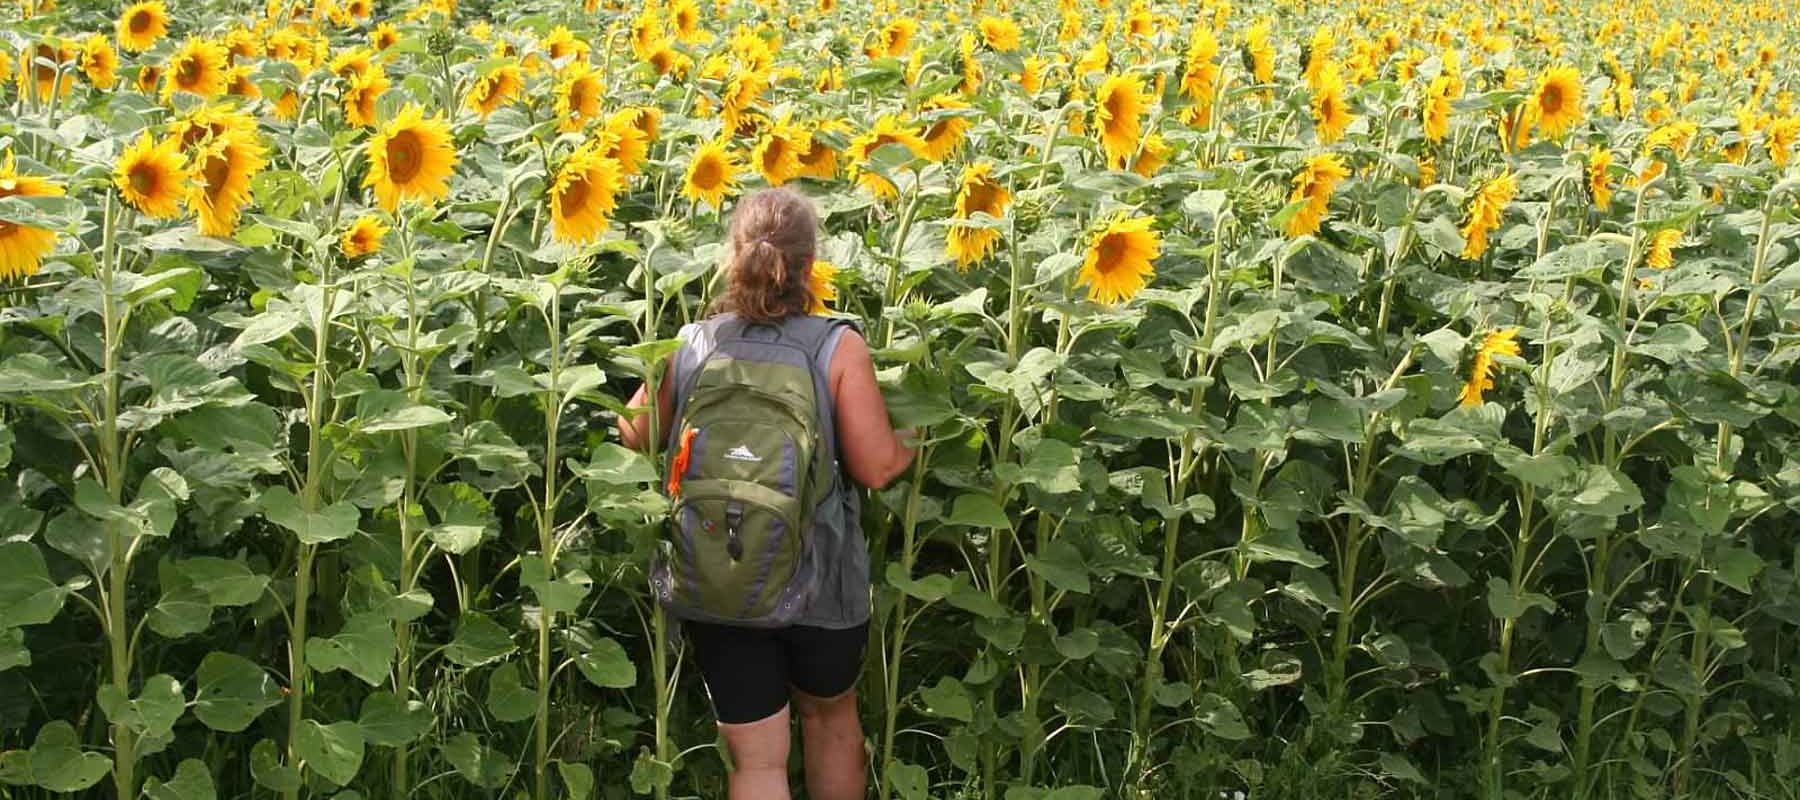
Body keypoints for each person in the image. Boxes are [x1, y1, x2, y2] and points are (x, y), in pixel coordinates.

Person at [617, 187, 915, 800]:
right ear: (810, 265)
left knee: (755, 762)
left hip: (721, 575)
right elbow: (878, 468)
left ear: (733, 257)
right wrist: (915, 432)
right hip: (821, 580)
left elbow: (631, 434)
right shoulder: (837, 345)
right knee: (830, 721)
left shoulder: (695, 343)